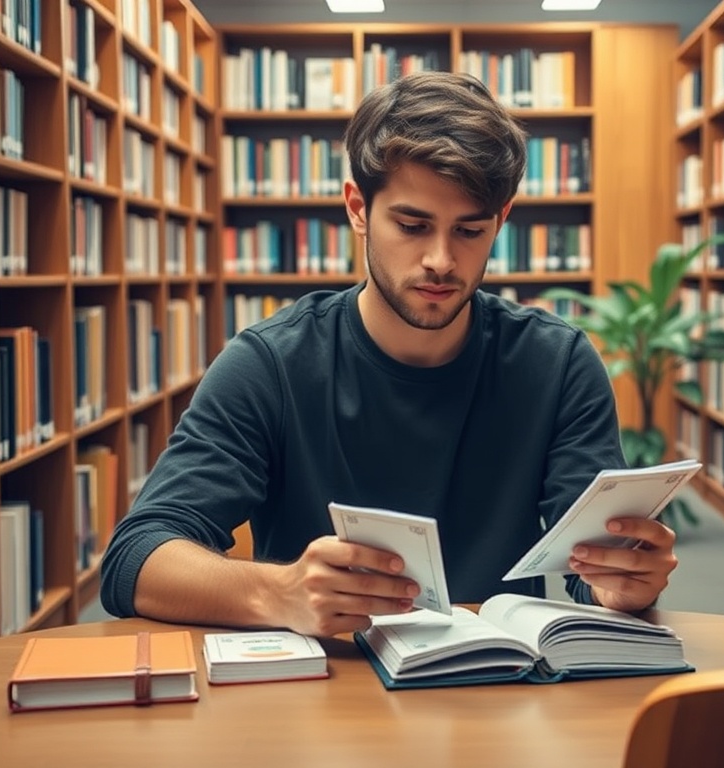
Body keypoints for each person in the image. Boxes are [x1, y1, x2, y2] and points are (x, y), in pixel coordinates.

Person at [100, 71, 677, 637]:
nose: (441, 260)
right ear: (358, 208)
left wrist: (618, 583)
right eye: (412, 224)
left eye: (470, 231)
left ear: (501, 220)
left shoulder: (558, 365)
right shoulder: (271, 364)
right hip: (316, 697)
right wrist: (276, 592)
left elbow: (592, 566)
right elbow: (137, 558)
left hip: (497, 693)